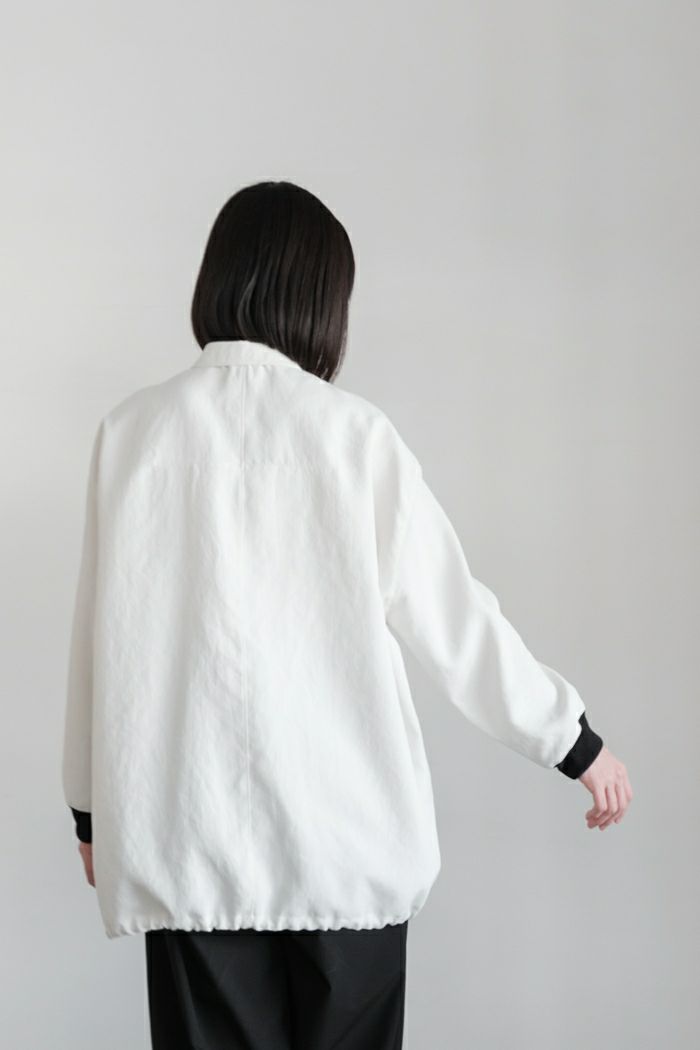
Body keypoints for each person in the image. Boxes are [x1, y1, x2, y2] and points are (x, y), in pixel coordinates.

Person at [61, 180, 632, 1050]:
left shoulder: (132, 434)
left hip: (186, 842)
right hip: (346, 849)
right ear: (323, 298)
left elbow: (94, 648)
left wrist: (91, 813)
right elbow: (457, 622)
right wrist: (575, 743)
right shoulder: (354, 436)